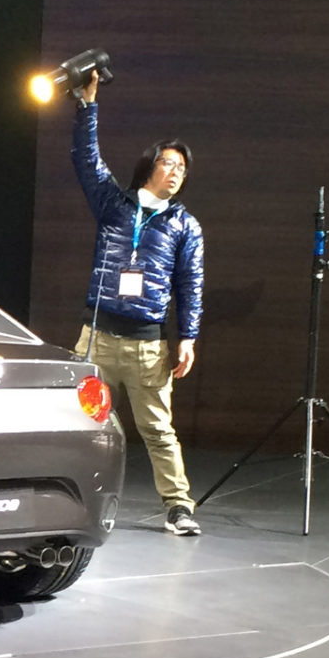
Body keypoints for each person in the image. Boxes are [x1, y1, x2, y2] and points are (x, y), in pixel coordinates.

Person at [70, 70, 205, 536]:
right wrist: (88, 106)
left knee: (159, 432)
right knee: (80, 422)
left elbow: (191, 281)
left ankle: (178, 506)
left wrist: (186, 336)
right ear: (151, 164)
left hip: (149, 346)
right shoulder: (115, 205)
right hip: (98, 339)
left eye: (183, 169)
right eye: (170, 163)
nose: (177, 172)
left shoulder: (185, 225)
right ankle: (70, 497)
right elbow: (87, 160)